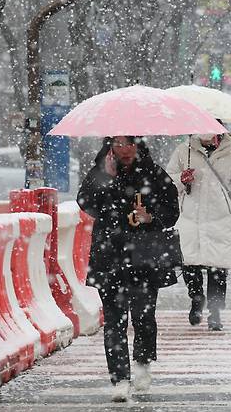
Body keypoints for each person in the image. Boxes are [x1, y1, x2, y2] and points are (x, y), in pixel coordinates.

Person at [77, 136, 180, 402]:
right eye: (119, 144)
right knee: (114, 321)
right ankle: (120, 378)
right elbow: (85, 202)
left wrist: (150, 217)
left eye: (130, 144)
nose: (125, 150)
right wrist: (106, 179)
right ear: (110, 145)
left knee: (144, 317)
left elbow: (172, 212)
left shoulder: (154, 173)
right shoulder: (100, 171)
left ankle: (143, 363)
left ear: (138, 145)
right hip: (109, 256)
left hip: (144, 258)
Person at [167, 130, 231, 331]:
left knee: (218, 267)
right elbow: (167, 182)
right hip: (190, 218)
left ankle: (216, 312)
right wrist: (181, 180)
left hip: (221, 218)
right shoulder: (184, 151)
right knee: (189, 263)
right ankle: (196, 299)